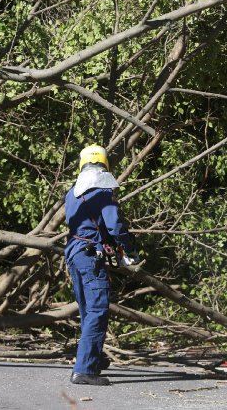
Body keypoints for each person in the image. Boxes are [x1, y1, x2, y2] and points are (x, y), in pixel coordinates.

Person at [64, 144, 139, 386]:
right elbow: (115, 226)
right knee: (97, 309)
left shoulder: (72, 193)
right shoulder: (103, 194)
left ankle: (91, 360)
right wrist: (129, 249)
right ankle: (84, 370)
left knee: (87, 310)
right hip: (89, 256)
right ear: (104, 165)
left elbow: (86, 226)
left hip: (74, 254)